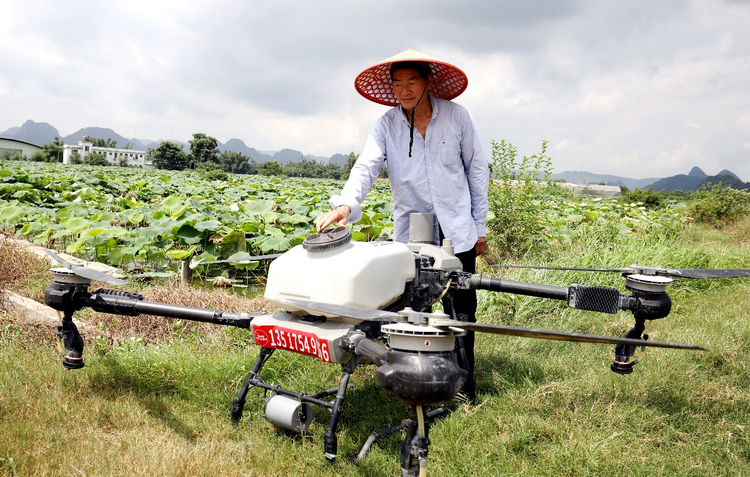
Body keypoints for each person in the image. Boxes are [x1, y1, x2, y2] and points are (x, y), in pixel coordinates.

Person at [315, 49, 489, 400]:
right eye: (397, 84)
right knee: (415, 307)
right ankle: (419, 381)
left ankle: (463, 384)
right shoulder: (386, 125)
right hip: (413, 232)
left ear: (427, 82)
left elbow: (476, 168)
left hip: (457, 226)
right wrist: (346, 204)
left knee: (461, 306)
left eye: (412, 81)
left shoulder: (457, 117)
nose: (404, 90)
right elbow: (365, 167)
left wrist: (479, 224)